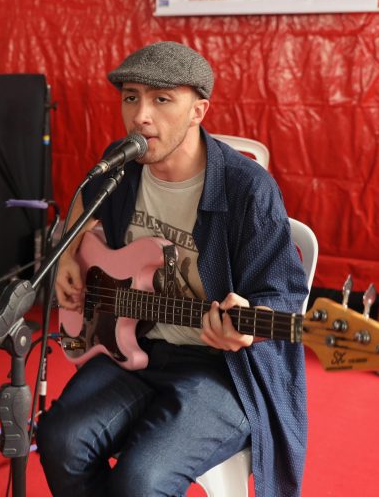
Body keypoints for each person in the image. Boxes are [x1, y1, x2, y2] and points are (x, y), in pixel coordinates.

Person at [36, 42, 308, 497]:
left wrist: (246, 323)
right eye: (131, 97)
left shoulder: (248, 191)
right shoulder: (121, 163)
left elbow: (284, 294)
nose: (141, 115)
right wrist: (67, 253)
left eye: (162, 99)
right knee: (60, 440)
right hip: (136, 346)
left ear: (198, 110)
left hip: (223, 368)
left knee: (142, 480)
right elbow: (85, 197)